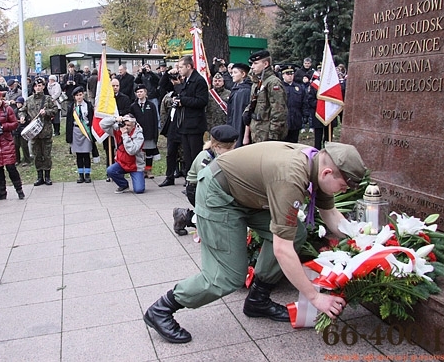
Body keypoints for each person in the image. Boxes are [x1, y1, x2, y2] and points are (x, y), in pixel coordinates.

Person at [143, 141, 367, 343]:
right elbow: (282, 250)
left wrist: (362, 242)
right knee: (227, 277)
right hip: (219, 193)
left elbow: (330, 214)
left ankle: (258, 299)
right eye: (344, 186)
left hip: (246, 194)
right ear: (328, 172)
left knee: (296, 232)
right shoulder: (291, 177)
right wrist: (314, 297)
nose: (343, 191)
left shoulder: (317, 165)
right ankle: (162, 309)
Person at [173, 124, 238, 236]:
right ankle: (185, 216)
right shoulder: (205, 157)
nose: (231, 151)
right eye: (227, 149)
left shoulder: (221, 154)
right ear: (216, 147)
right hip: (197, 189)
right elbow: (207, 182)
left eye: (233, 147)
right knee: (213, 218)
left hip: (212, 189)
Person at [174, 55, 209, 177]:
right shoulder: (186, 80)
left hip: (195, 124)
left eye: (181, 67)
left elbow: (202, 101)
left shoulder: (198, 80)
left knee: (195, 154)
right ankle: (190, 179)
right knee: (187, 155)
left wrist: (183, 101)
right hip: (185, 123)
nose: (179, 69)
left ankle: (197, 178)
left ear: (189, 66)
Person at [243, 50, 288, 144]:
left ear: (265, 64)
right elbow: (254, 103)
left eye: (255, 63)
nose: (252, 66)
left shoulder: (273, 83)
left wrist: (274, 135)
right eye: (252, 64)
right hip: (258, 131)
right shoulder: (257, 82)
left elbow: (278, 111)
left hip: (267, 133)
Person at [20, 77, 58, 186]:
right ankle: (39, 176)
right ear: (33, 87)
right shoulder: (29, 100)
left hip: (45, 131)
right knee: (37, 155)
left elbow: (55, 110)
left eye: (40, 86)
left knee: (46, 154)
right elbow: (22, 110)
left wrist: (46, 112)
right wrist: (22, 117)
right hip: (34, 133)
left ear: (43, 87)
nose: (38, 88)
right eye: (36, 86)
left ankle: (47, 176)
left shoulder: (48, 99)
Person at [100, 114, 145, 194]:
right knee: (110, 170)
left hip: (135, 166)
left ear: (133, 126)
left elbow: (131, 151)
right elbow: (102, 124)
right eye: (125, 124)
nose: (126, 127)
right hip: (121, 163)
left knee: (139, 190)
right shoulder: (118, 129)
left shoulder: (139, 135)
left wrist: (125, 135)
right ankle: (123, 185)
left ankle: (138, 179)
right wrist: (115, 119)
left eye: (129, 125)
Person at [158, 70, 184, 187]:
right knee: (170, 154)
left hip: (183, 126)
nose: (174, 82)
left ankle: (188, 177)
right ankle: (169, 177)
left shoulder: (185, 89)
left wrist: (179, 83)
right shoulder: (170, 95)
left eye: (177, 79)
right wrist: (168, 73)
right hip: (172, 127)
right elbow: (162, 84)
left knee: (185, 154)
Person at [65, 87, 95, 183]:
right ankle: (80, 175)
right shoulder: (72, 107)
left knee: (86, 154)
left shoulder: (88, 105)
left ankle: (87, 174)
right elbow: (68, 122)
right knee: (79, 155)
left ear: (83, 95)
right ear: (74, 97)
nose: (79, 97)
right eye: (77, 95)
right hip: (76, 131)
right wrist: (68, 137)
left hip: (86, 131)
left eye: (80, 95)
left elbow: (92, 119)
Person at [130, 84, 159, 179]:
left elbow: (155, 120)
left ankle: (148, 170)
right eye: (137, 92)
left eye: (141, 91)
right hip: (138, 134)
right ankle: (141, 170)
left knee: (149, 153)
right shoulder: (133, 106)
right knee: (140, 154)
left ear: (145, 93)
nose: (139, 94)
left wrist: (155, 134)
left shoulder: (151, 105)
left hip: (149, 133)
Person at [226, 62, 252, 148]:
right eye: (232, 73)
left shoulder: (245, 91)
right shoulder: (236, 88)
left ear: (243, 74)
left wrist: (245, 135)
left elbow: (244, 114)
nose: (232, 75)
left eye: (235, 72)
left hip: (241, 128)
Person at [281, 65, 309, 143]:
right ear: (283, 75)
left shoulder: (299, 87)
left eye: (292, 74)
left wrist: (305, 115)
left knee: (294, 142)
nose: (290, 76)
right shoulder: (280, 87)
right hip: (283, 120)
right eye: (287, 74)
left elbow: (304, 102)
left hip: (296, 119)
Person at [13, 97, 31, 166]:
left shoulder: (25, 111)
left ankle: (27, 159)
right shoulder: (15, 111)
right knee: (16, 146)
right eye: (17, 103)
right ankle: (17, 159)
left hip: (23, 130)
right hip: (16, 131)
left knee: (24, 146)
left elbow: (28, 120)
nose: (18, 104)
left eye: (19, 103)